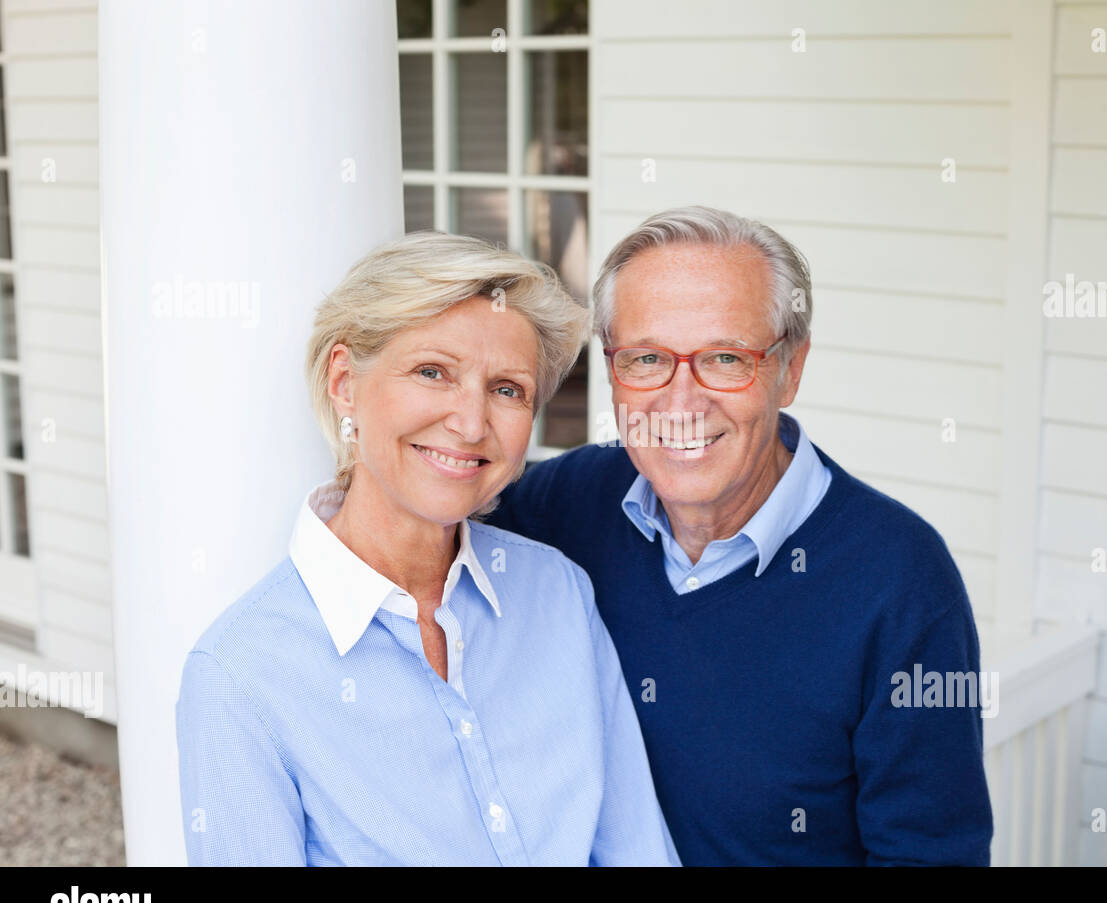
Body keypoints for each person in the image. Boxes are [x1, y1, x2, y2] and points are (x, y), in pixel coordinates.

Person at [485, 206, 994, 865]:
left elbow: (932, 856)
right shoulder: (570, 504)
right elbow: (425, 556)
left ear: (790, 369)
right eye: (646, 358)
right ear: (611, 370)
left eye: (726, 358)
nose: (682, 401)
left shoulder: (900, 581)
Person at [174, 231, 678, 866]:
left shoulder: (559, 592)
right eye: (433, 372)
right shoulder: (241, 674)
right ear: (344, 383)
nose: (471, 424)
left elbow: (637, 853)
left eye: (507, 389)